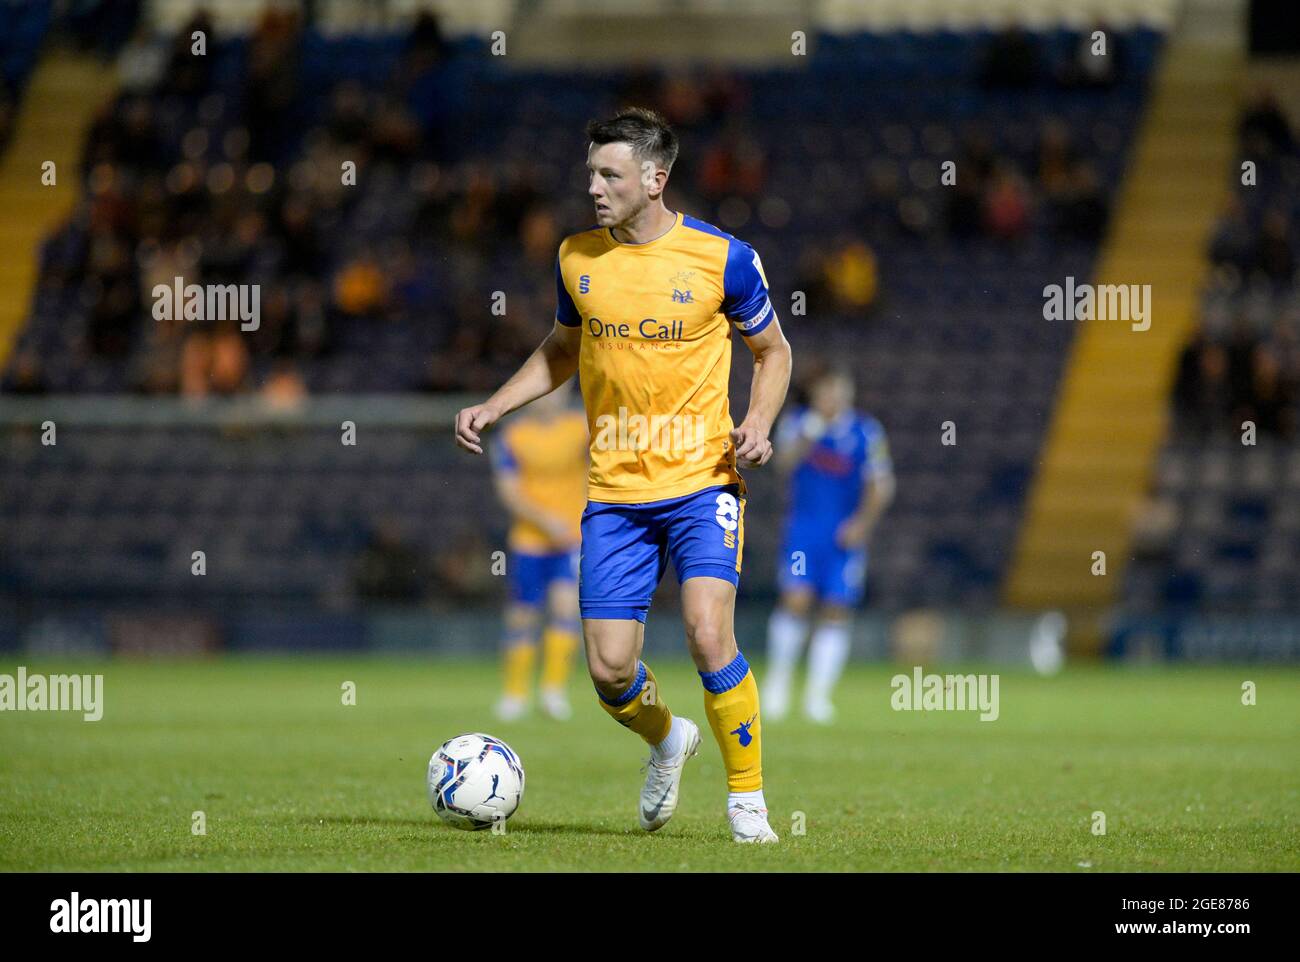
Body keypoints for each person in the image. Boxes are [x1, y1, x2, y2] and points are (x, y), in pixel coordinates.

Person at [455, 107, 792, 843]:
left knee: (708, 634)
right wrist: (495, 405)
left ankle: (747, 803)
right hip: (614, 494)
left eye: (610, 175)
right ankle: (668, 740)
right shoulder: (577, 256)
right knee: (610, 673)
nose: (595, 188)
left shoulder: (723, 258)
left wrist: (759, 423)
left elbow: (774, 351)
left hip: (704, 479)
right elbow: (559, 349)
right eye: (591, 174)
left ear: (655, 179)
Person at [763, 366, 895, 724]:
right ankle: (777, 688)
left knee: (837, 609)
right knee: (796, 600)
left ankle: (817, 698)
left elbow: (881, 484)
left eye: (840, 390)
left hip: (843, 537)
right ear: (816, 394)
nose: (833, 397)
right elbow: (783, 466)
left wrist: (862, 524)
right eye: (827, 391)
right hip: (803, 535)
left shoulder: (866, 431)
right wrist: (813, 432)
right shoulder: (798, 424)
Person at [489, 386, 588, 721]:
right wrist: (545, 521)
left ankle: (553, 691)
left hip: (570, 539)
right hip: (529, 540)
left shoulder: (582, 429)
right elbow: (507, 491)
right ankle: (515, 693)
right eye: (544, 392)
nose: (549, 398)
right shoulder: (513, 436)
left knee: (565, 609)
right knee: (523, 614)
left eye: (557, 391)